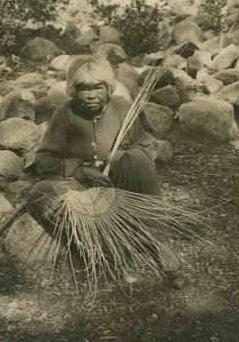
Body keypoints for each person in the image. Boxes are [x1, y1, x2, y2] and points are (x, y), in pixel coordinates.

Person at [26, 55, 161, 239]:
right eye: (83, 89)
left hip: (119, 185)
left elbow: (147, 148)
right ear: (73, 90)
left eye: (98, 87)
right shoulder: (65, 113)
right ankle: (94, 239)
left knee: (138, 159)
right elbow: (44, 161)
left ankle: (154, 235)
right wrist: (82, 171)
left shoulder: (123, 108)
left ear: (108, 88)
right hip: (80, 188)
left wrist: (121, 159)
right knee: (40, 194)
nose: (91, 96)